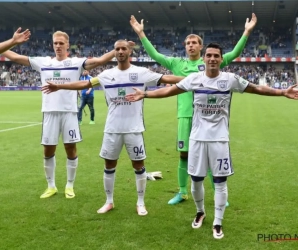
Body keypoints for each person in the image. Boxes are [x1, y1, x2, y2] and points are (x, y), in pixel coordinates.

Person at [125, 42, 298, 239]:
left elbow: (256, 88)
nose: (213, 59)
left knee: (220, 181)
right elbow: (169, 91)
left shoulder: (230, 79)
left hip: (219, 140)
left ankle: (218, 222)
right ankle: (200, 212)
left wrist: (282, 92)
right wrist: (145, 94)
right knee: (196, 180)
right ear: (204, 58)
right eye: (209, 55)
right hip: (197, 139)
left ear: (220, 59)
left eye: (216, 55)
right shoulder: (194, 79)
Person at [41, 40, 184, 215]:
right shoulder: (106, 75)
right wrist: (59, 86)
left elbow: (167, 78)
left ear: (130, 51)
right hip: (112, 129)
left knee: (139, 166)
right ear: (114, 52)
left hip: (134, 129)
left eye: (124, 48)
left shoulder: (141, 73)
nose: (120, 51)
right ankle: (109, 201)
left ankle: (140, 203)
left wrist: (194, 79)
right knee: (109, 165)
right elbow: (85, 84)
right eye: (117, 49)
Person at [130, 14, 257, 205]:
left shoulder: (209, 62)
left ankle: (216, 191)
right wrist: (141, 34)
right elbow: (155, 56)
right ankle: (182, 192)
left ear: (201, 46)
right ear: (185, 46)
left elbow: (233, 54)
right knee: (184, 154)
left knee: (209, 155)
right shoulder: (177, 64)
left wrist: (247, 32)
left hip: (207, 117)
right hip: (185, 115)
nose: (190, 45)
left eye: (194, 42)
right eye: (188, 42)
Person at [2, 31, 123, 199]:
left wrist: (116, 49)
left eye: (61, 43)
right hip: (50, 113)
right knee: (48, 149)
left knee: (70, 148)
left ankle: (69, 185)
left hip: (69, 112)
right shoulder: (43, 62)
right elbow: (14, 57)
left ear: (67, 45)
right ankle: (51, 186)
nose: (58, 46)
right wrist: (12, 42)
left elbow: (101, 60)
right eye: (55, 43)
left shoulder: (76, 62)